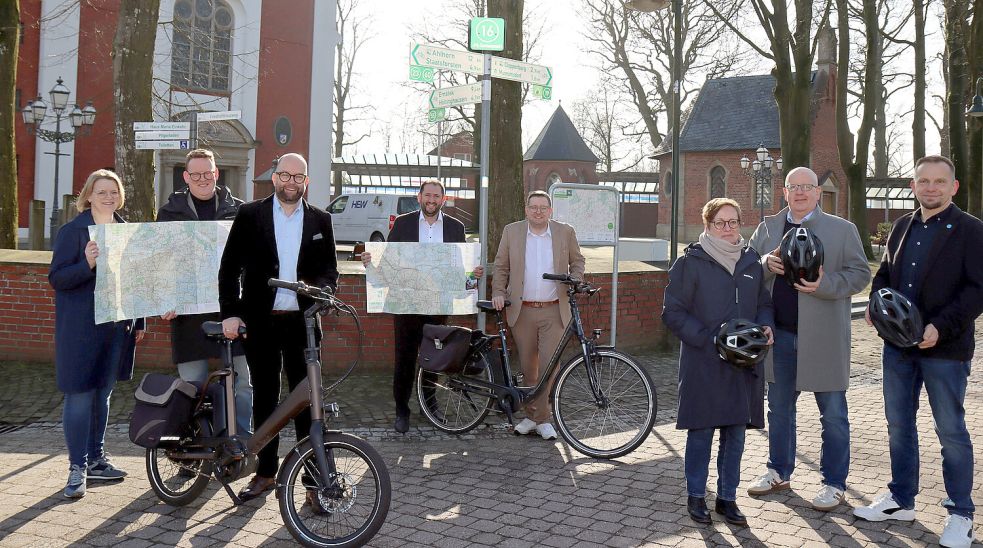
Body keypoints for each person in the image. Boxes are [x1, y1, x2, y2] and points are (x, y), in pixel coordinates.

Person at [853, 155, 982, 548]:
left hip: (945, 350)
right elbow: (885, 275)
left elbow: (978, 289)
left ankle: (961, 514)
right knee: (899, 427)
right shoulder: (902, 226)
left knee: (951, 432)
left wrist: (938, 328)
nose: (931, 188)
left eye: (939, 182)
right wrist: (876, 306)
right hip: (898, 350)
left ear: (953, 187)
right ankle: (900, 499)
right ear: (913, 185)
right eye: (923, 181)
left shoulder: (971, 230)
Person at [746, 166, 870, 510]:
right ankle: (778, 471)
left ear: (818, 192)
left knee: (833, 413)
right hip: (779, 336)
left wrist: (825, 285)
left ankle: (834, 483)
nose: (800, 192)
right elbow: (746, 267)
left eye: (807, 187)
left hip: (825, 338)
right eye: (793, 187)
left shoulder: (842, 230)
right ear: (784, 192)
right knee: (779, 409)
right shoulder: (768, 227)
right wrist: (763, 262)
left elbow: (860, 274)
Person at [218, 153, 338, 503]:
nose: (290, 182)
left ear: (306, 182)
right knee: (267, 399)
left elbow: (329, 269)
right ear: (274, 178)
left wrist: (326, 292)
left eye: (298, 176)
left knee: (306, 402)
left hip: (304, 325)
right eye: (284, 175)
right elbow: (229, 269)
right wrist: (230, 313)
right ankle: (266, 472)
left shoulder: (321, 220)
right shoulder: (250, 215)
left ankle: (315, 484)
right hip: (261, 322)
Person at [662, 198, 775, 526]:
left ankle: (727, 498)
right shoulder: (690, 262)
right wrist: (709, 339)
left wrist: (766, 324)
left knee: (735, 434)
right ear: (707, 225)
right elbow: (673, 312)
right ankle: (696, 496)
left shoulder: (752, 260)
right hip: (704, 362)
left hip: (743, 364)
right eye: (720, 223)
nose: (728, 229)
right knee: (701, 433)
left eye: (733, 222)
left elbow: (763, 302)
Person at [49, 169, 145, 499]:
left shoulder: (125, 232)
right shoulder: (72, 232)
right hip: (79, 330)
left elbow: (136, 280)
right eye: (101, 192)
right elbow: (58, 279)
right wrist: (86, 264)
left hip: (116, 327)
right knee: (79, 395)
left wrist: (140, 321)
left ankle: (96, 461)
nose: (108, 197)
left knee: (103, 395)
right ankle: (77, 467)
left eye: (113, 192)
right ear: (89, 195)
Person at [360, 179, 484, 433]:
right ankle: (401, 411)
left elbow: (458, 268)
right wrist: (370, 261)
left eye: (436, 196)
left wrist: (473, 274)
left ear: (443, 199)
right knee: (404, 358)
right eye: (427, 195)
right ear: (419, 197)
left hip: (437, 304)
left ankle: (430, 405)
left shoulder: (455, 227)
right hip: (406, 303)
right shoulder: (403, 224)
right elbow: (388, 261)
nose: (431, 200)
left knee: (434, 357)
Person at [157, 148, 252, 436]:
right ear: (186, 177)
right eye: (195, 174)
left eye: (207, 173)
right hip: (187, 315)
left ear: (216, 174)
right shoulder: (168, 213)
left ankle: (241, 441)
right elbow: (160, 262)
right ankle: (194, 450)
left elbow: (253, 261)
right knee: (192, 386)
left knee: (243, 381)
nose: (202, 179)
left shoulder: (240, 211)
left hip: (231, 311)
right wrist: (163, 298)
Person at [491, 190, 585, 440]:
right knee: (528, 367)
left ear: (550, 210)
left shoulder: (565, 232)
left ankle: (542, 419)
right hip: (522, 311)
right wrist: (498, 292)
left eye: (544, 207)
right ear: (526, 209)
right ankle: (533, 416)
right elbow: (501, 266)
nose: (539, 211)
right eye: (534, 207)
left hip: (555, 309)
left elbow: (578, 261)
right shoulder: (512, 232)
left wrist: (576, 279)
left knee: (549, 366)